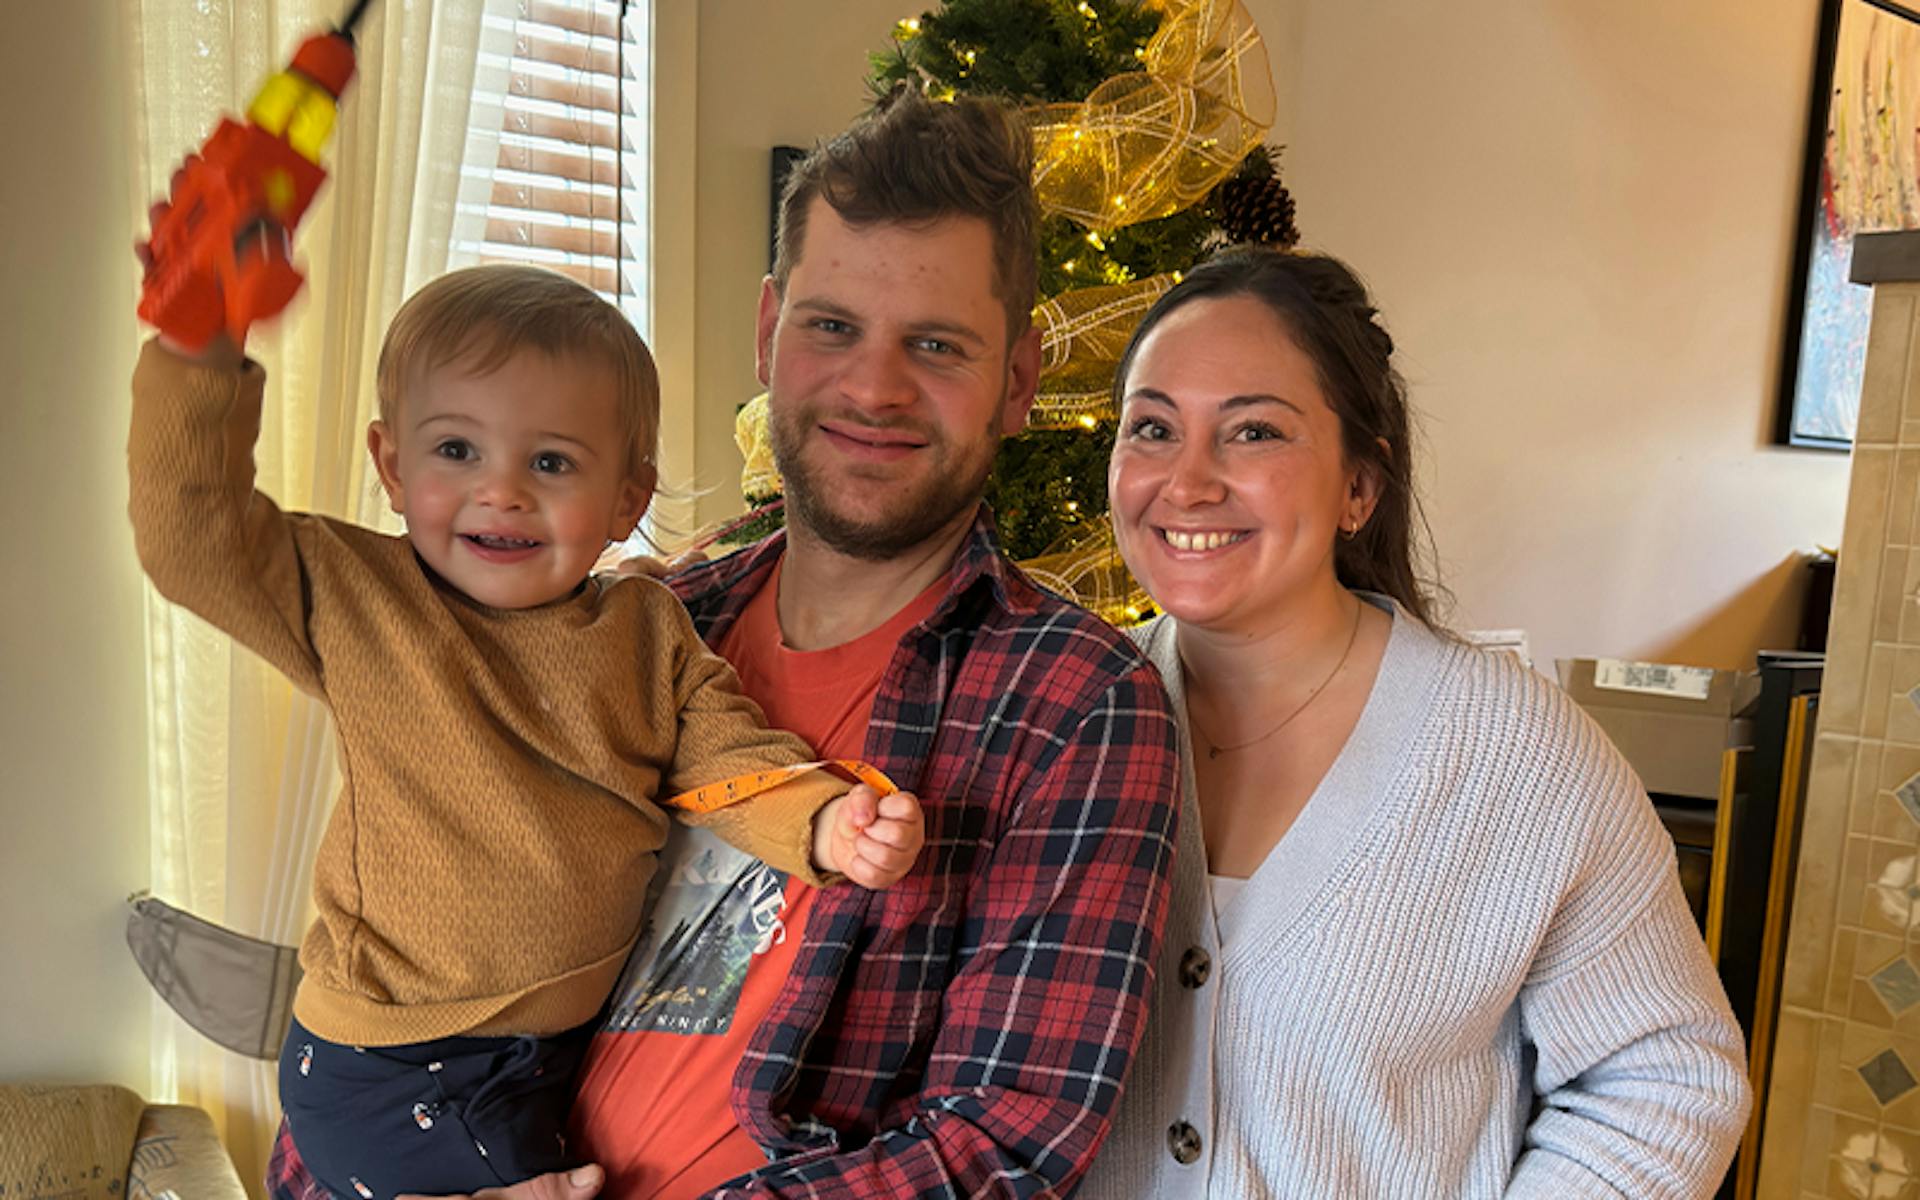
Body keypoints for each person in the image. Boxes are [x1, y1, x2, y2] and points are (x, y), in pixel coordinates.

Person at [270, 89, 1184, 1200]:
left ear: (1020, 380)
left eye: (937, 345)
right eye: (832, 326)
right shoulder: (627, 624)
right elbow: (400, 975)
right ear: (768, 335)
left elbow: (1001, 1141)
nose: (874, 387)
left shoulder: (1077, 702)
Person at [127, 263, 926, 1200]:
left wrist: (826, 820)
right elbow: (192, 533)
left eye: (550, 463)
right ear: (391, 465)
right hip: (392, 1064)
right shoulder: (357, 598)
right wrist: (198, 351)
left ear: (629, 496)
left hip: (542, 1056)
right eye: (456, 451)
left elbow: (725, 759)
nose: (500, 492)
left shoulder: (645, 628)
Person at [1075, 246, 1753, 1198]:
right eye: (1151, 428)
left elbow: (1663, 1080)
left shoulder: (1518, 759)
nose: (1186, 483)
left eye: (1254, 433)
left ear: (1362, 485)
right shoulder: (1064, 719)